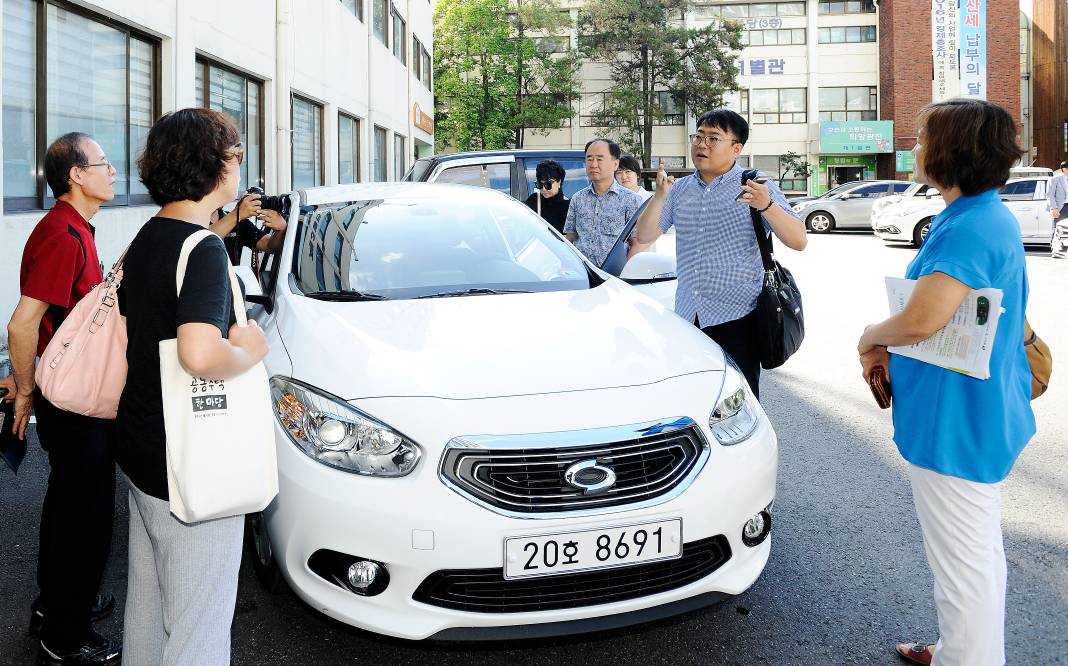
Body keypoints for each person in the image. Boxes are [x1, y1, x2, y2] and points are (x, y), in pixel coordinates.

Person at [857, 99, 1035, 666]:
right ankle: (960, 648)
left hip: (957, 421)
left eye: (921, 138)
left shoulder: (969, 226)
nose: (914, 147)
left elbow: (923, 319)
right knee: (975, 554)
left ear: (950, 150)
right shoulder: (981, 214)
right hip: (974, 410)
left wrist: (870, 335)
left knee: (964, 563)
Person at [115, 108, 269, 664]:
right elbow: (199, 352)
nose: (239, 162)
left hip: (144, 449)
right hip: (194, 461)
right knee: (199, 626)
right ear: (211, 164)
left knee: (151, 607)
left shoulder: (149, 235)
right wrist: (248, 351)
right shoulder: (202, 247)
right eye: (234, 153)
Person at [2, 132, 122, 665]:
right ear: (76, 174)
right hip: (69, 405)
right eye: (102, 163)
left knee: (71, 511)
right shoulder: (61, 234)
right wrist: (24, 391)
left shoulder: (76, 229)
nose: (113, 170)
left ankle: (58, 607)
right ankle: (64, 637)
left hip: (73, 400)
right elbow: (22, 325)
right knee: (84, 521)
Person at [633, 109, 807, 398]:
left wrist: (767, 206)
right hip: (689, 316)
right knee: (692, 396)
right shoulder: (681, 189)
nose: (702, 145)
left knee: (738, 400)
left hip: (739, 317)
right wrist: (660, 195)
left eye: (713, 138)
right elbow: (645, 235)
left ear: (736, 149)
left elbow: (799, 240)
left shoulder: (755, 185)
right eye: (698, 136)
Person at [563, 139, 644, 266]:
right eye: (589, 159)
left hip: (614, 277)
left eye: (599, 159)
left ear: (615, 164)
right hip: (583, 274)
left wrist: (623, 274)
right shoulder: (577, 198)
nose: (593, 164)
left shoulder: (631, 200)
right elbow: (571, 237)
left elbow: (637, 243)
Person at [209, 195, 288, 264]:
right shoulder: (235, 217)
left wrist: (281, 230)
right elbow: (201, 242)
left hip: (228, 280)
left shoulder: (239, 222)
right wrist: (237, 214)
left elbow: (269, 246)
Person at [524, 159, 570, 234]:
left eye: (548, 184)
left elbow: (571, 237)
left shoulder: (568, 206)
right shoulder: (533, 200)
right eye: (540, 184)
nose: (544, 189)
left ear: (559, 181)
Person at [1047, 160, 1067, 258]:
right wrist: (1054, 208)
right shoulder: (1055, 179)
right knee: (1057, 229)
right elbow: (1050, 195)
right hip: (1060, 207)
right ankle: (1055, 250)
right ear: (1063, 169)